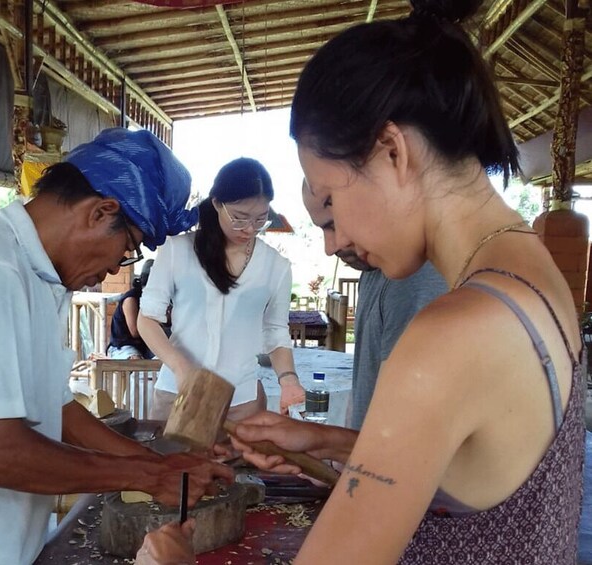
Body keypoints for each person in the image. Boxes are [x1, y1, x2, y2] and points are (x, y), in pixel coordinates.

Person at [141, 1, 586, 563]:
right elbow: (480, 467)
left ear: (393, 151)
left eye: (331, 199)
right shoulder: (534, 272)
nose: (332, 240)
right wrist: (325, 441)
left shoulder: (454, 332)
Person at [0, 127, 233, 565]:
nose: (113, 271)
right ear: (100, 211)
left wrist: (158, 462)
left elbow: (58, 407)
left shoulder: (39, 277)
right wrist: (149, 474)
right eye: (126, 248)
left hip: (9, 548)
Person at [137, 157, 305, 422]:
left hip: (241, 400)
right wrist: (182, 368)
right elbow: (147, 319)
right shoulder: (177, 251)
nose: (250, 229)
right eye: (239, 218)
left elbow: (275, 331)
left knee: (236, 465)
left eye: (261, 219)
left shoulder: (276, 266)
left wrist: (289, 379)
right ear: (217, 203)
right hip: (178, 393)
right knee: (167, 462)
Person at [302, 180, 448, 430]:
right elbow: (365, 380)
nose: (330, 247)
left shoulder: (414, 279)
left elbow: (407, 423)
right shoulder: (371, 270)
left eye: (334, 225)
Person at [107, 259, 157, 360]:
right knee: (136, 361)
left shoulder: (157, 298)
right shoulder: (131, 299)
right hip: (123, 347)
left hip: (145, 346)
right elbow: (135, 331)